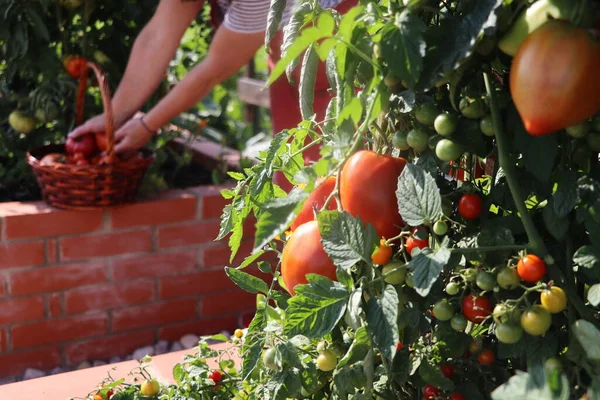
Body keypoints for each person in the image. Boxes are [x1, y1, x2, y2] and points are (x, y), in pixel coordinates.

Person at [69, 0, 357, 190]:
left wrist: (147, 125)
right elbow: (157, 35)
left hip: (348, 59)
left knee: (343, 185)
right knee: (294, 184)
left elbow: (215, 69)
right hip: (291, 66)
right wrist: (114, 114)